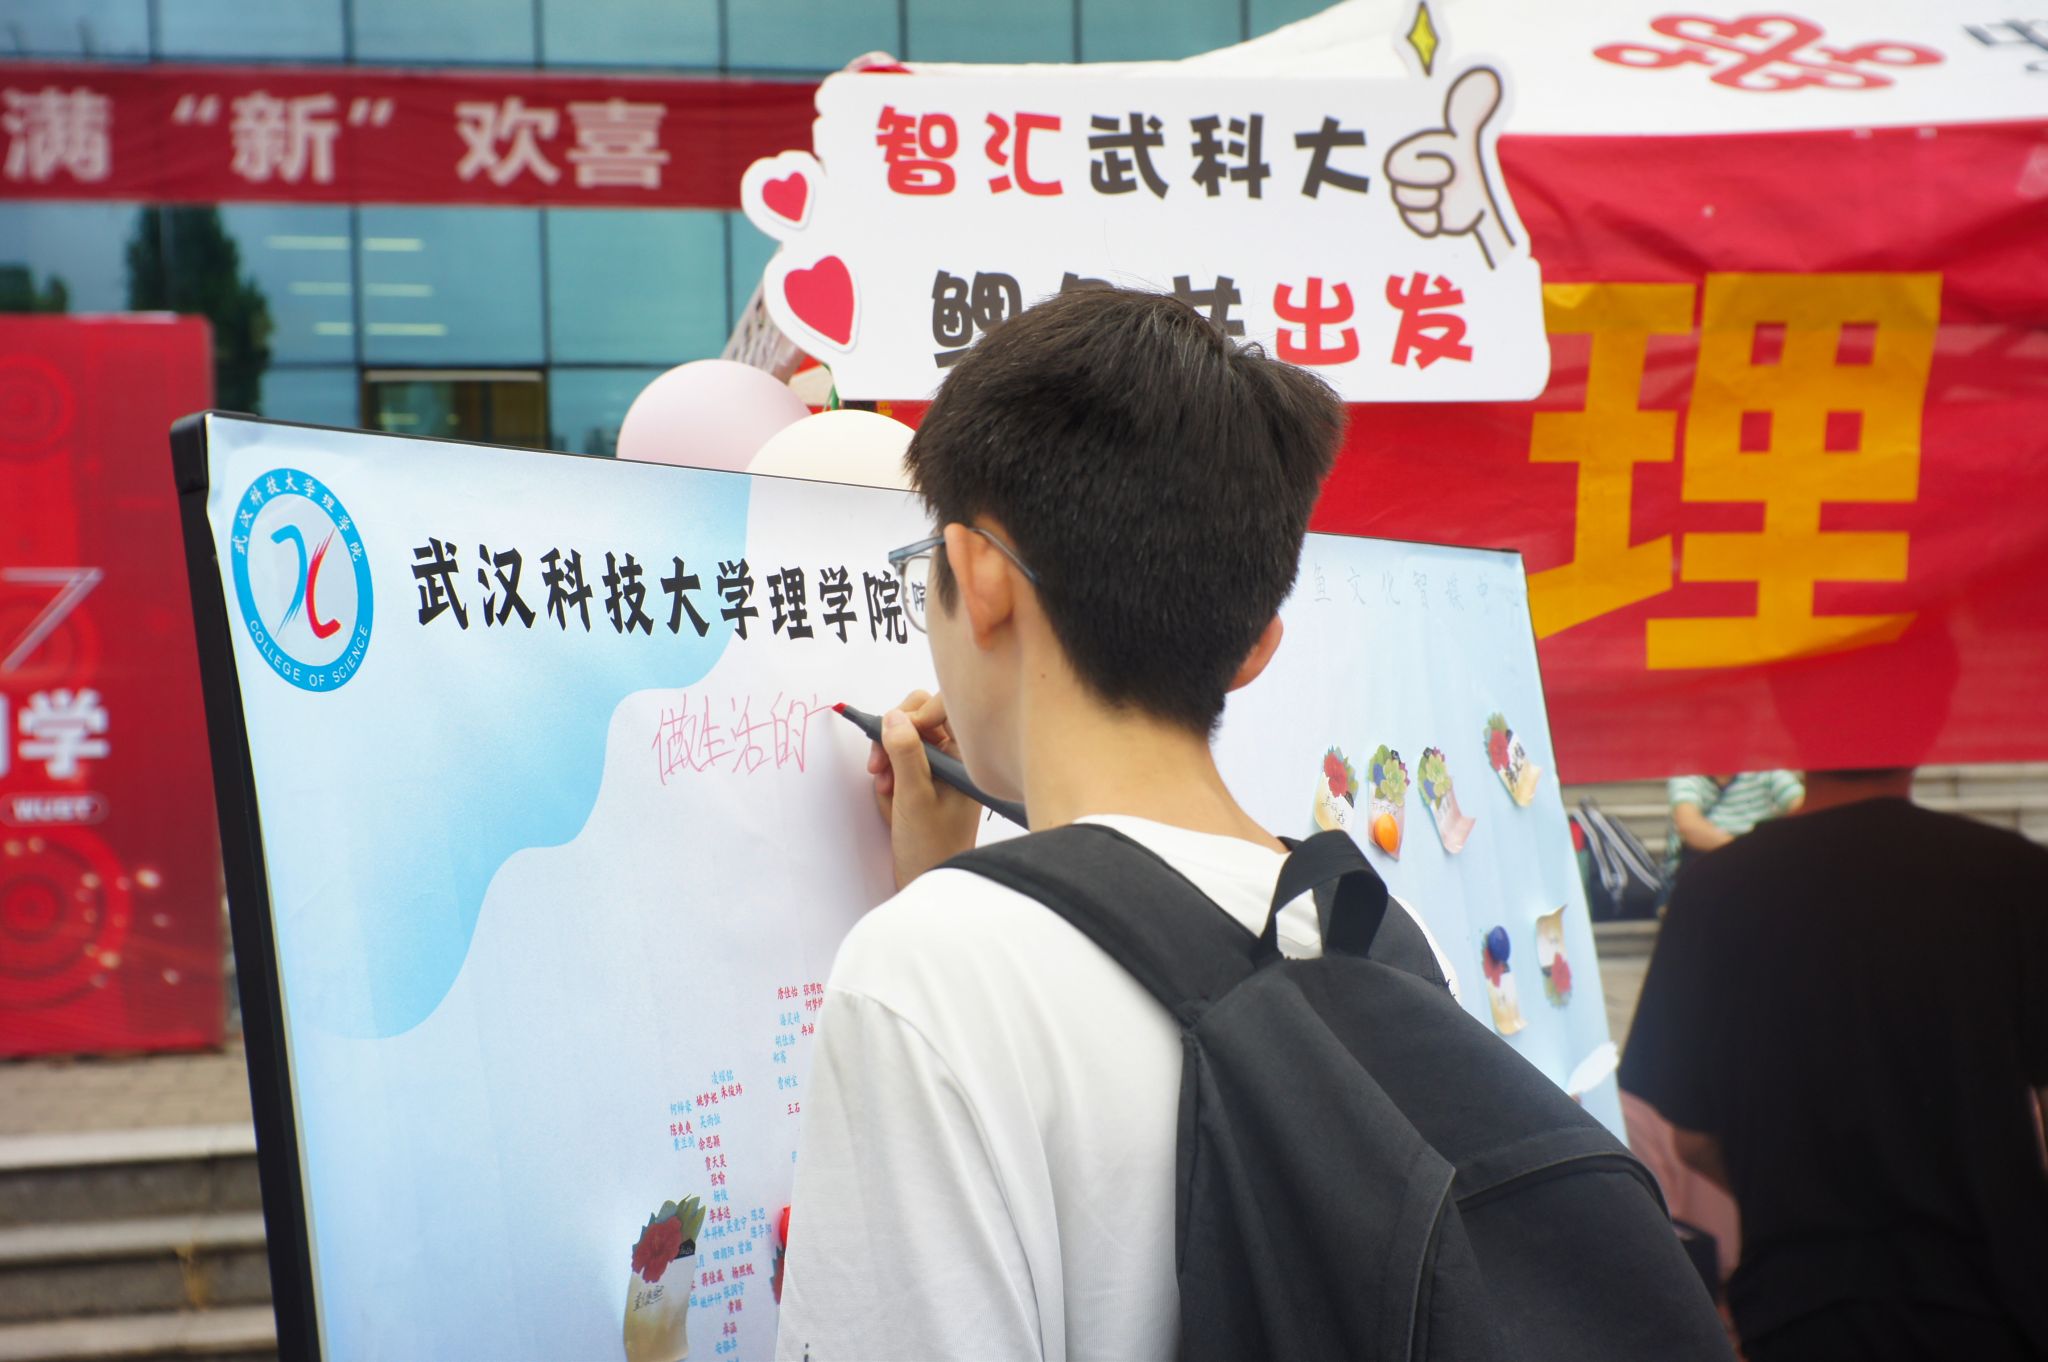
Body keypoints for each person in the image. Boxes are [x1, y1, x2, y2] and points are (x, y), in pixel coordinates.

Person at [770, 288, 1388, 1359]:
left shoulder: (923, 978)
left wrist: (938, 917)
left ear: (979, 577)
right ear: (1255, 645)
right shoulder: (1376, 929)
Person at [1621, 758, 2048, 1359]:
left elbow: (1689, 1138)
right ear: (1929, 722)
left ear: (1791, 729)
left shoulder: (1716, 889)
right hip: (1996, 1296)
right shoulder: (2014, 873)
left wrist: (1797, 1195)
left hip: (1803, 1298)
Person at [1665, 770, 1803, 879]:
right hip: (1706, 866)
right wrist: (1743, 852)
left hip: (1760, 867)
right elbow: (1689, 825)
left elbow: (1800, 804)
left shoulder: (1765, 769)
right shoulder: (1688, 773)